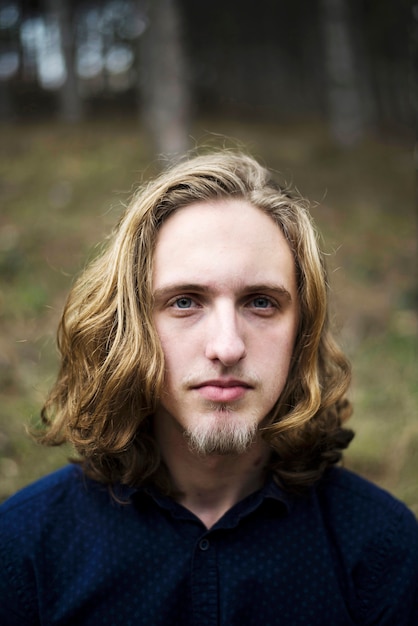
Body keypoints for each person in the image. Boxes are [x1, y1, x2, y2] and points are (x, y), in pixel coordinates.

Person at [0, 151, 417, 626]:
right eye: (184, 302)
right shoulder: (24, 548)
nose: (227, 346)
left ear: (301, 330)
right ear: (129, 325)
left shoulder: (382, 549)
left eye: (261, 302)